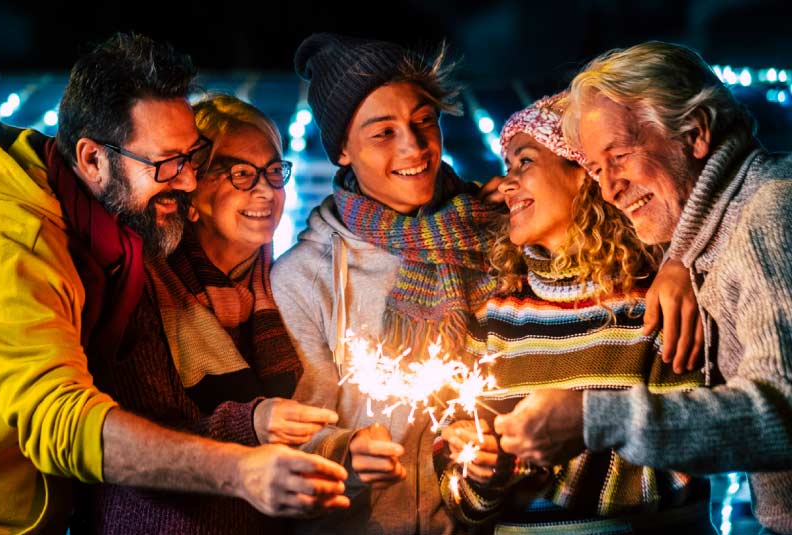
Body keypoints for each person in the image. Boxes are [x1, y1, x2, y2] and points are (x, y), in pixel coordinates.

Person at [0, 34, 347, 535]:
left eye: (192, 158)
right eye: (166, 164)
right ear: (92, 159)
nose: (185, 183)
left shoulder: (112, 229)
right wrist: (238, 469)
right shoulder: (18, 242)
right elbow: (62, 421)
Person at [495, 41, 792, 534]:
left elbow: (782, 411)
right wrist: (679, 259)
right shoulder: (718, 231)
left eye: (621, 156)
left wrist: (597, 419)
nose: (609, 189)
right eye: (595, 168)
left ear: (695, 134)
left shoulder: (769, 213)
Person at [435, 93, 714, 534]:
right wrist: (483, 474)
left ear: (583, 174)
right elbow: (458, 496)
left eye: (524, 162)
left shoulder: (654, 301)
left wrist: (533, 465)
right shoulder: (495, 312)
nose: (506, 183)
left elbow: (689, 455)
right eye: (507, 168)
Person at [72, 93, 344, 534]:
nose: (266, 190)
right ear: (191, 191)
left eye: (275, 172)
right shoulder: (143, 288)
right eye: (240, 173)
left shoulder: (282, 283)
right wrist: (252, 424)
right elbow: (137, 441)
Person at [271, 32, 501, 534]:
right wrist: (346, 455)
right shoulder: (304, 278)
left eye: (423, 121)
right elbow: (289, 438)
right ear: (343, 153)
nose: (414, 147)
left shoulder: (493, 234)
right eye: (382, 133)